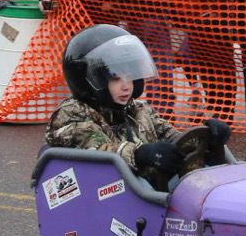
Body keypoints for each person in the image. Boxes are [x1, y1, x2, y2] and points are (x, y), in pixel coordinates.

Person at [45, 25, 230, 192]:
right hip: (108, 195)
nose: (127, 86)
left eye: (130, 76)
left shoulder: (138, 109)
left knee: (204, 176)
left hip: (147, 191)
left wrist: (207, 139)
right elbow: (98, 152)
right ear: (89, 81)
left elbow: (174, 140)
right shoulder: (72, 114)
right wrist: (140, 154)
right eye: (116, 78)